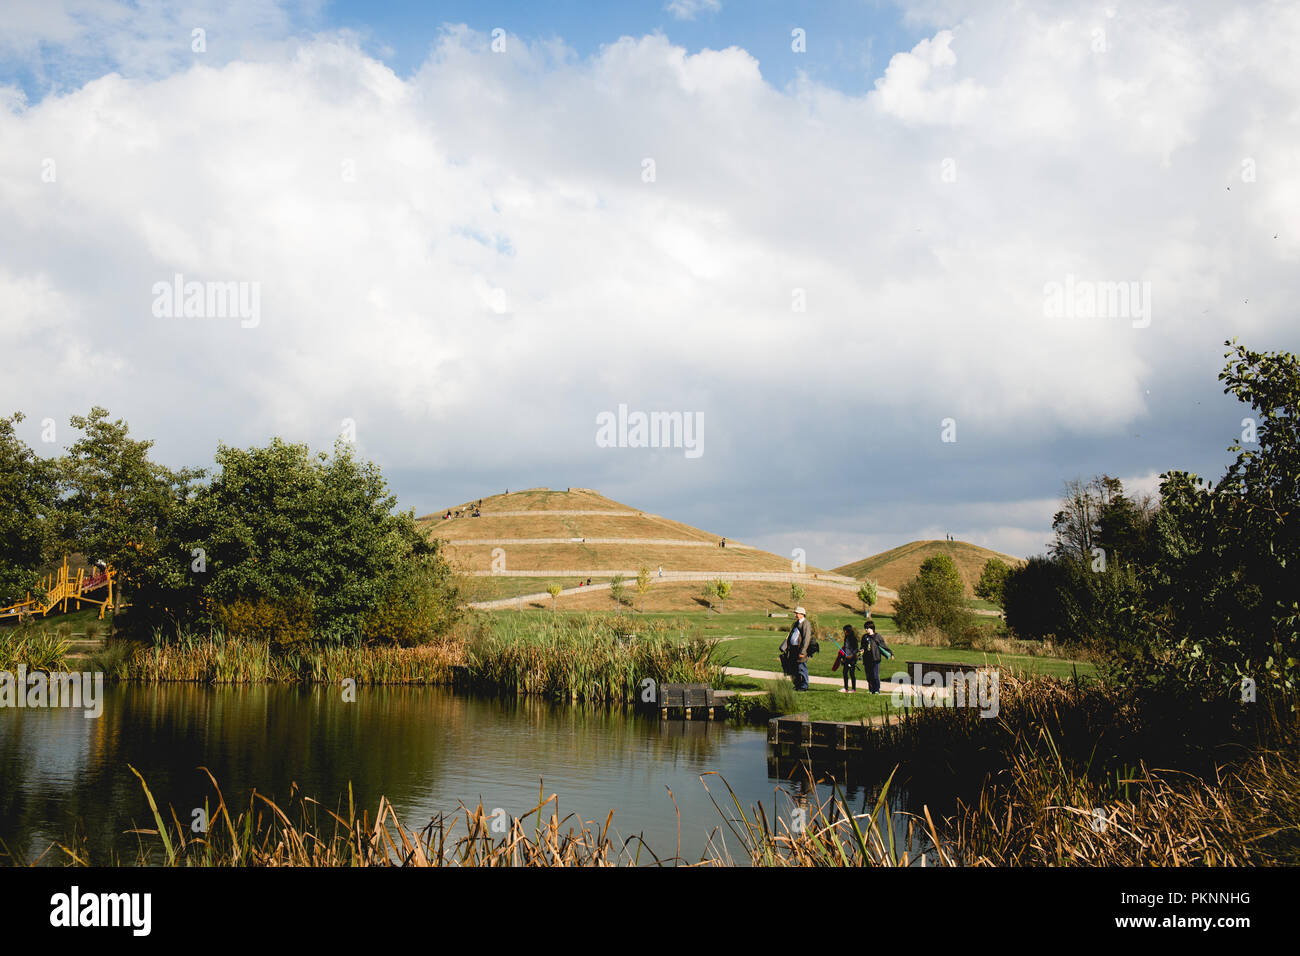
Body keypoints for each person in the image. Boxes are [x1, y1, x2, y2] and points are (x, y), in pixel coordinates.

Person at [783, 607, 813, 691]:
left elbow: (806, 639)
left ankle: (804, 686)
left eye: (797, 613)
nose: (795, 615)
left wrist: (802, 651)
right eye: (795, 613)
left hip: (800, 650)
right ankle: (797, 685)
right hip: (793, 649)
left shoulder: (805, 624)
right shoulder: (796, 623)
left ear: (802, 614)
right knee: (794, 668)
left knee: (802, 667)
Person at [863, 624, 889, 694]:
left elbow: (883, 646)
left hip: (875, 658)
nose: (866, 629)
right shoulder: (864, 637)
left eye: (867, 628)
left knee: (875, 675)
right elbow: (862, 647)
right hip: (866, 659)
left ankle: (877, 689)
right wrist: (861, 651)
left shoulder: (878, 636)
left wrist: (890, 653)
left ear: (872, 628)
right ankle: (871, 689)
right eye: (865, 628)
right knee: (869, 675)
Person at [836, 624, 859, 693]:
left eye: (844, 631)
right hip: (846, 658)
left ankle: (853, 689)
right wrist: (843, 657)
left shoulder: (854, 639)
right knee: (845, 672)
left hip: (852, 659)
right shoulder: (846, 638)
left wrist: (851, 656)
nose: (844, 632)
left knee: (852, 673)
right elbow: (845, 649)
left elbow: (856, 649)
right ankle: (846, 688)